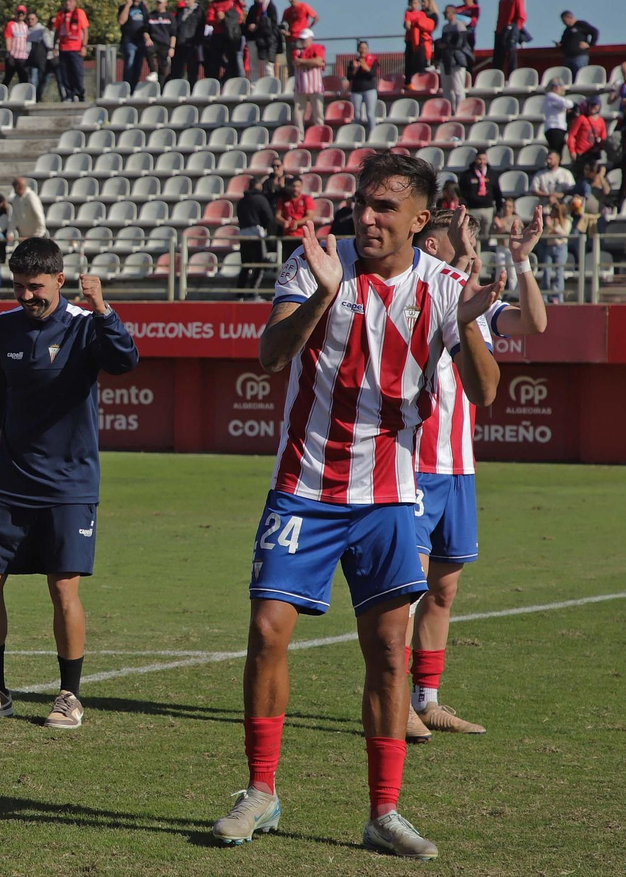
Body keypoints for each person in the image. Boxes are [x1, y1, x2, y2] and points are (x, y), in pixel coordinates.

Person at [209, 152, 503, 861]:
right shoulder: (315, 262)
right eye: (362, 204)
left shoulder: (443, 287)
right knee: (268, 630)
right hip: (303, 488)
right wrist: (321, 295)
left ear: (420, 219)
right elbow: (270, 356)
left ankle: (384, 812)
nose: (366, 218)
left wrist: (467, 326)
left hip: (390, 496)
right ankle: (260, 790)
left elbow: (485, 393)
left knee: (388, 651)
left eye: (384, 208)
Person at [0, 238, 139, 730]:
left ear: (59, 280)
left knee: (62, 589)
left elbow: (125, 361)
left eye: (34, 287)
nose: (25, 296)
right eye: (18, 286)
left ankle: (69, 695)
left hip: (69, 482)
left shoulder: (85, 324)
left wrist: (104, 310)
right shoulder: (5, 325)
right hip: (12, 477)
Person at [409, 208, 546, 739]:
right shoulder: (419, 293)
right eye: (457, 237)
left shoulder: (476, 306)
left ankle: (426, 700)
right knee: (407, 591)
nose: (469, 244)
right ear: (430, 245)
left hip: (458, 469)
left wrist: (522, 261)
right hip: (415, 464)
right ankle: (393, 700)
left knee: (443, 591)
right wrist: (465, 262)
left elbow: (533, 323)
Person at [235, 174, 278, 298]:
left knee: (246, 265)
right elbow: (269, 218)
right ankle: (252, 292)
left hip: (243, 234)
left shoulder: (242, 201)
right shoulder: (260, 199)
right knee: (260, 264)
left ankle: (239, 293)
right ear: (258, 186)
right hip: (257, 234)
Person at [206, 0, 247, 81]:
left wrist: (226, 16)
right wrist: (218, 20)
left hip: (232, 35)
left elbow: (240, 18)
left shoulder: (236, 2)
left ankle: (229, 81)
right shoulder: (215, 3)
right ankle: (214, 82)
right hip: (218, 34)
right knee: (215, 61)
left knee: (233, 60)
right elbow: (209, 19)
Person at [434, 6, 472, 112]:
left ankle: (460, 110)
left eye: (447, 12)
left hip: (456, 60)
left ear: (453, 13)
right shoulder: (445, 27)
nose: (445, 15)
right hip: (446, 60)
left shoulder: (459, 26)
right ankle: (450, 110)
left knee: (458, 88)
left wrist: (446, 45)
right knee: (447, 89)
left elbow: (460, 43)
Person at [52, 0, 89, 101]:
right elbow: (57, 31)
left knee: (77, 72)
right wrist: (54, 46)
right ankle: (69, 94)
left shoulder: (80, 13)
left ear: (75, 2)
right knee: (65, 73)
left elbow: (85, 31)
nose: (68, 3)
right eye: (66, 1)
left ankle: (79, 93)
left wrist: (84, 46)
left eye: (70, 1)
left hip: (76, 48)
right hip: (63, 47)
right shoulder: (60, 14)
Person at [458, 150, 502, 238]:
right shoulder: (467, 175)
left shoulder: (492, 174)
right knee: (473, 235)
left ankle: (486, 247)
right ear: (475, 159)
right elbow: (462, 193)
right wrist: (465, 206)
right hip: (473, 209)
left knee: (486, 235)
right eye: (479, 159)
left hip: (488, 209)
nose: (482, 162)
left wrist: (498, 211)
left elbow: (497, 192)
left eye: (484, 159)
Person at [290, 31, 326, 134]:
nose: (303, 41)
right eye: (302, 39)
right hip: (301, 86)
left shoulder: (318, 48)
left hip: (315, 86)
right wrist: (312, 62)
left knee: (318, 112)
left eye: (305, 39)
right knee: (298, 113)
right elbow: (296, 63)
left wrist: (302, 61)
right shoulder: (296, 51)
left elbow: (318, 61)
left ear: (311, 39)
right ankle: (299, 135)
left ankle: (319, 133)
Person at [279, 0, 319, 83]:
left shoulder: (304, 6)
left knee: (301, 63)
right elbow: (283, 24)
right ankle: (293, 85)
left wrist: (308, 29)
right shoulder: (287, 11)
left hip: (300, 40)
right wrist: (285, 32)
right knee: (291, 64)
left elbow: (315, 17)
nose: (290, 0)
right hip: (290, 40)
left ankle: (304, 82)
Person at [242, 0, 279, 81]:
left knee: (268, 65)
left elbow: (273, 23)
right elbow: (248, 22)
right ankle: (254, 85)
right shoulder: (253, 8)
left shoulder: (269, 6)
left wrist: (258, 26)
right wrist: (249, 28)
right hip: (253, 39)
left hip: (266, 41)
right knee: (253, 65)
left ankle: (270, 85)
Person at [116, 0, 150, 86]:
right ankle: (126, 86)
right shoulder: (124, 7)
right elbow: (121, 21)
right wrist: (127, 6)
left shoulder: (142, 8)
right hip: (129, 41)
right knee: (129, 64)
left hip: (140, 41)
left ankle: (134, 87)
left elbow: (147, 22)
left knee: (138, 66)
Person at [567, 97, 609, 174]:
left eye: (595, 105)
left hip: (593, 154)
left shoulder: (601, 121)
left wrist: (599, 145)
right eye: (591, 105)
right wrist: (572, 151)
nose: (593, 107)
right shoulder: (581, 119)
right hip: (581, 154)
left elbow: (603, 137)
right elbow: (571, 135)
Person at [493, 0, 525, 74]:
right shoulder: (502, 0)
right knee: (498, 57)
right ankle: (497, 75)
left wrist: (515, 29)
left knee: (511, 54)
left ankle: (512, 75)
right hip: (500, 31)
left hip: (510, 30)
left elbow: (521, 16)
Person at [140, 0, 174, 84]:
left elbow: (173, 34)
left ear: (165, 3)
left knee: (163, 67)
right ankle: (153, 71)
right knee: (148, 50)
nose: (158, 4)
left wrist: (172, 47)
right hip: (154, 41)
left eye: (160, 3)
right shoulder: (151, 15)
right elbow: (145, 30)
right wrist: (148, 39)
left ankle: (161, 87)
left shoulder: (170, 17)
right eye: (157, 2)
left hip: (165, 44)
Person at [346, 41, 380, 130]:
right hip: (356, 91)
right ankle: (358, 133)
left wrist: (365, 66)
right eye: (361, 48)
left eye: (365, 48)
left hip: (370, 89)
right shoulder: (353, 62)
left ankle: (372, 134)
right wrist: (355, 69)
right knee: (357, 115)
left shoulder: (373, 60)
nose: (363, 50)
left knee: (370, 114)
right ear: (358, 50)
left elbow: (373, 74)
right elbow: (349, 77)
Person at [171, 0, 204, 84]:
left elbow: (200, 29)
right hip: (180, 44)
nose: (186, 1)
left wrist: (196, 44)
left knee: (192, 70)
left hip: (192, 44)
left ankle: (192, 88)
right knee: (177, 70)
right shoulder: (181, 11)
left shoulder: (199, 12)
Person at [556, 11, 599, 76]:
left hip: (579, 56)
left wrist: (590, 44)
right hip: (568, 57)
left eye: (564, 21)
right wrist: (560, 45)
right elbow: (563, 41)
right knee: (569, 76)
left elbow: (595, 31)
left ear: (569, 18)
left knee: (579, 75)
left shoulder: (581, 24)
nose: (564, 23)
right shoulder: (567, 30)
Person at [403, 0, 434, 80]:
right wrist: (411, 24)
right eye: (413, 3)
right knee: (410, 60)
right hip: (410, 39)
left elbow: (425, 25)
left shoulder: (422, 14)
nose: (415, 5)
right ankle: (409, 79)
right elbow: (407, 25)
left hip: (420, 39)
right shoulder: (408, 13)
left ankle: (420, 77)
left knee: (420, 59)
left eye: (416, 3)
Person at [3, 5, 33, 88]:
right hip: (13, 55)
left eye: (22, 13)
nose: (20, 15)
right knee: (7, 78)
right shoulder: (11, 24)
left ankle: (23, 94)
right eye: (19, 13)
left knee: (24, 78)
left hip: (23, 56)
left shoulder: (27, 26)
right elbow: (8, 39)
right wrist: (9, 55)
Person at [9, 176, 46, 240]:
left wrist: (38, 235)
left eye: (14, 185)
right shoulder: (15, 199)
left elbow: (39, 216)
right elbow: (13, 217)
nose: (13, 188)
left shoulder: (31, 197)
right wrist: (10, 233)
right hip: (24, 236)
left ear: (18, 186)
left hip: (37, 237)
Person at [541, 79, 573, 154]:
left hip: (558, 128)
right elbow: (568, 104)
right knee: (556, 152)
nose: (557, 87)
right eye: (554, 85)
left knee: (559, 151)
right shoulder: (551, 96)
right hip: (555, 127)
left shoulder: (554, 98)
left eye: (559, 85)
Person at [24, 11, 53, 94]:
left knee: (36, 79)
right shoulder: (26, 30)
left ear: (37, 19)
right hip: (28, 59)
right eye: (29, 19)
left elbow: (49, 43)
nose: (30, 21)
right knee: (30, 79)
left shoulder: (42, 30)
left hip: (38, 58)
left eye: (32, 19)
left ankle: (36, 96)